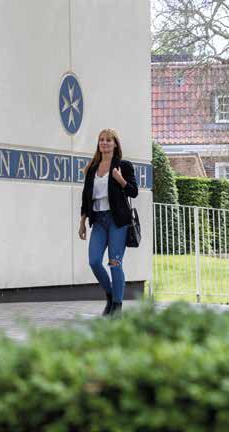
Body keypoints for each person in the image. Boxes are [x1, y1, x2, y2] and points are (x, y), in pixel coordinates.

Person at [79, 129, 138, 317]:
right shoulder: (92, 168)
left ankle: (117, 307)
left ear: (115, 144)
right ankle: (111, 295)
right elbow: (86, 197)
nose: (104, 143)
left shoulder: (123, 166)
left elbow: (134, 191)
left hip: (117, 221)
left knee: (115, 263)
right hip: (99, 220)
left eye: (108, 140)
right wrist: (82, 221)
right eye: (101, 140)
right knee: (94, 261)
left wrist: (120, 180)